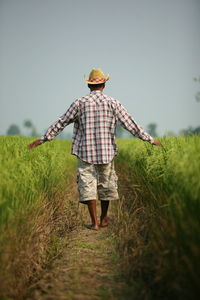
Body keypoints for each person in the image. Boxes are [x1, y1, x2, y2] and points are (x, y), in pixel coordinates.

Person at [28, 68, 161, 231]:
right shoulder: (113, 102)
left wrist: (43, 139)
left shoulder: (79, 103)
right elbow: (130, 124)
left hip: (85, 153)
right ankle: (104, 218)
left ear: (88, 85)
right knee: (106, 185)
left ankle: (94, 223)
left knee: (87, 186)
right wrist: (150, 139)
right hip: (107, 152)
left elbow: (61, 122)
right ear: (104, 84)